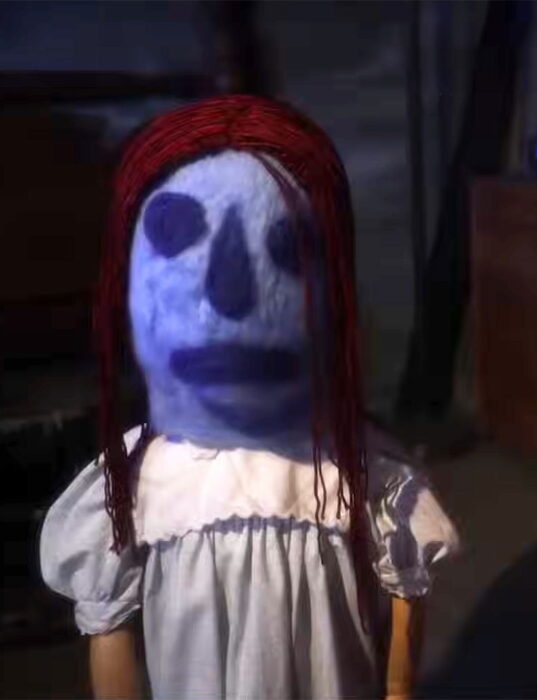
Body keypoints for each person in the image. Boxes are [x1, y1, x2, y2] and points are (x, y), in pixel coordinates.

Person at [40, 95, 458, 699]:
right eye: (177, 238)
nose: (228, 295)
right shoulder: (138, 479)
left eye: (287, 248)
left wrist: (396, 690)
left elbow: (404, 588)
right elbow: (109, 629)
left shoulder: (357, 466)